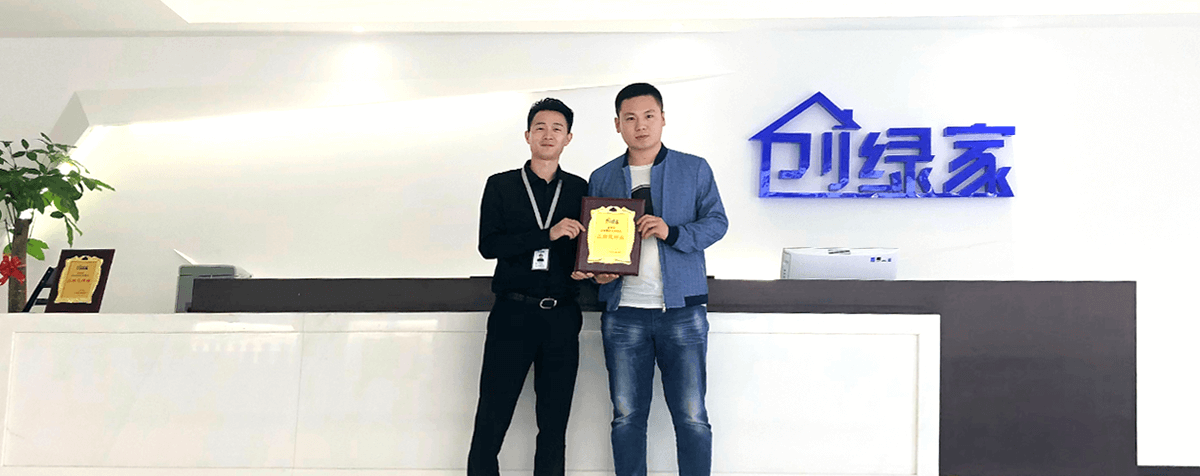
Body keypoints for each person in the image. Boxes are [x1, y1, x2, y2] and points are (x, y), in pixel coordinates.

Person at [576, 83, 728, 476]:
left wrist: (672, 232)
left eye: (648, 116)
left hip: (682, 311)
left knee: (692, 416)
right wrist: (599, 274)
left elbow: (717, 222)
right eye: (630, 118)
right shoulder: (602, 177)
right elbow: (593, 243)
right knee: (626, 417)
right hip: (623, 312)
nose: (640, 125)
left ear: (662, 119)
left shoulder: (694, 168)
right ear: (617, 124)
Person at [468, 98, 589, 476]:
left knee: (554, 423)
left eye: (557, 128)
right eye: (540, 127)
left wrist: (589, 270)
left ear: (568, 138)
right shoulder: (501, 185)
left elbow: (588, 248)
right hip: (512, 313)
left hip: (562, 315)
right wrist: (546, 234)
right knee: (492, 415)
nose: (548, 134)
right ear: (527, 135)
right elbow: (489, 246)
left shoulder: (580, 188)